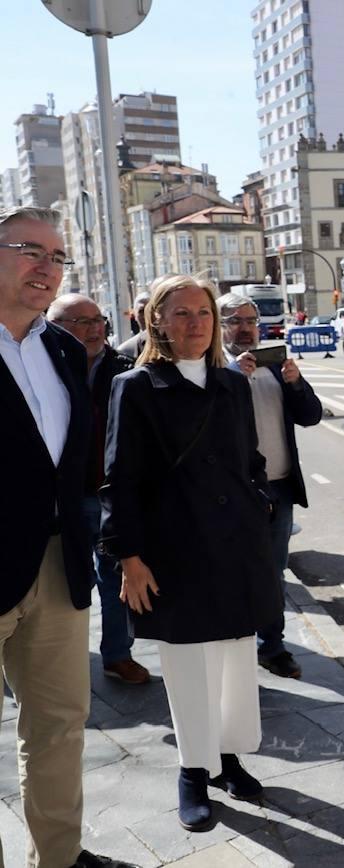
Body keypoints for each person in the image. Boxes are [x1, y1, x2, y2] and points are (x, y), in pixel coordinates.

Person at [99, 274, 281, 833]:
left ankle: (227, 759)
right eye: (180, 313)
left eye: (203, 312)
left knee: (233, 661)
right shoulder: (135, 386)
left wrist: (260, 508)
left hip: (236, 548)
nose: (195, 323)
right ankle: (192, 773)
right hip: (174, 552)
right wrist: (128, 556)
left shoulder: (232, 384)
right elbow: (118, 478)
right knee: (187, 666)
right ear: (157, 320)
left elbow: (249, 459)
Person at [0, 205, 139, 868]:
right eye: (30, 250)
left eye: (57, 257)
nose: (46, 267)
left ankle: (57, 858)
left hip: (58, 568)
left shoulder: (60, 348)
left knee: (59, 728)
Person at [218, 292, 323, 679]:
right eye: (234, 321)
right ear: (222, 326)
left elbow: (311, 416)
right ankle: (234, 644)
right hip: (234, 494)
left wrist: (296, 383)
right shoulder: (215, 368)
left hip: (278, 489)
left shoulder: (276, 367)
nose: (244, 329)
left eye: (250, 321)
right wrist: (232, 375)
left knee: (273, 573)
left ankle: (272, 647)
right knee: (233, 572)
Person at [48, 293, 151, 685]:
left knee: (115, 577)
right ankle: (57, 661)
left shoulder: (124, 368)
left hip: (110, 495)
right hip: (60, 500)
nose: (94, 330)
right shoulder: (45, 369)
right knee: (62, 585)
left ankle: (117, 655)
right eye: (81, 322)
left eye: (98, 320)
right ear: (56, 327)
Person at [115, 289, 152, 361]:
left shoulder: (172, 345)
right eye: (142, 311)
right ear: (134, 315)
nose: (147, 315)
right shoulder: (125, 351)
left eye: (150, 310)